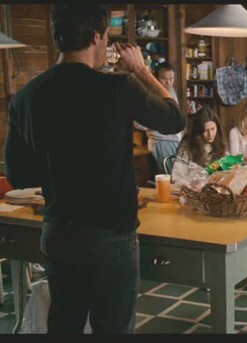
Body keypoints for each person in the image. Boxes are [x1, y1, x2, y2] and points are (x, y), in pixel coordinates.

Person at [4, 4, 185, 333]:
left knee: (65, 327)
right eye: (106, 39)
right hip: (109, 237)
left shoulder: (25, 97)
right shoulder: (117, 88)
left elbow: (20, 176)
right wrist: (142, 71)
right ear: (97, 36)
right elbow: (175, 119)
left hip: (57, 233)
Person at [134, 62, 184, 174]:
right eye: (164, 79)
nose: (168, 82)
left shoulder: (171, 91)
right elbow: (138, 123)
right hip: (162, 141)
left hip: (174, 140)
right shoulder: (152, 95)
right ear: (156, 78)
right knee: (169, 178)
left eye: (171, 78)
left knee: (176, 177)